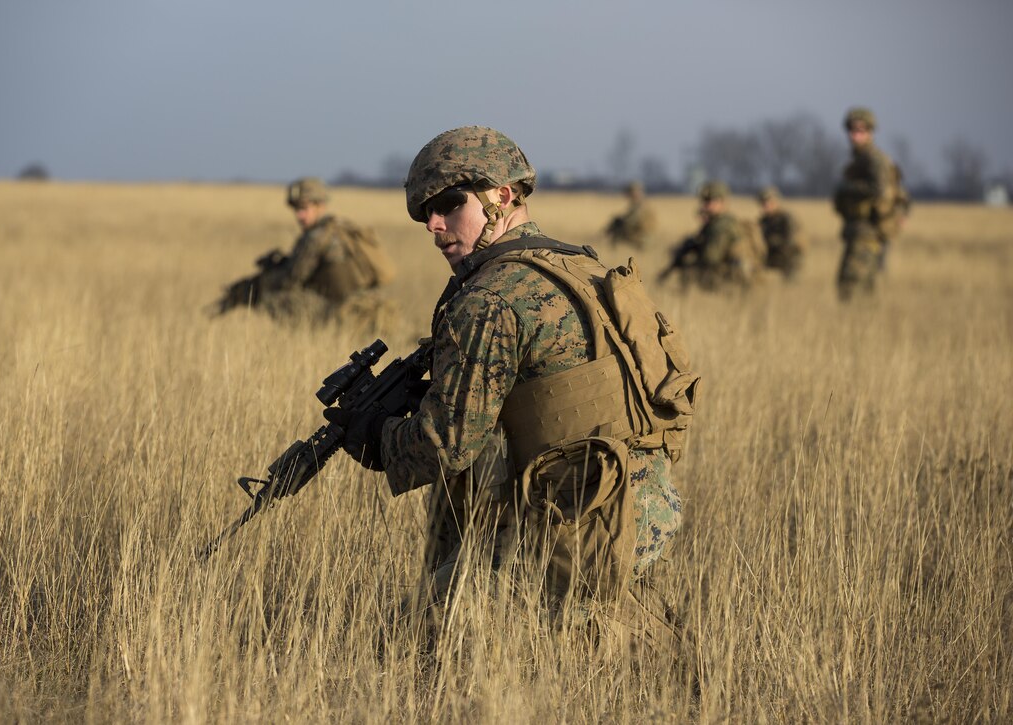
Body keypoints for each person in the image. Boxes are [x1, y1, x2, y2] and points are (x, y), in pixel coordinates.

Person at [324, 127, 700, 648]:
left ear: (503, 196)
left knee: (419, 633)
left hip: (580, 523)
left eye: (450, 203)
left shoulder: (490, 298)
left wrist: (379, 439)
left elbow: (444, 446)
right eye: (424, 213)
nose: (435, 224)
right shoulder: (579, 265)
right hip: (642, 504)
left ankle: (606, 631)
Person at [210, 177, 395, 325]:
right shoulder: (340, 228)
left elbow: (292, 279)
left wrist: (264, 279)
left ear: (320, 206)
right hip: (363, 304)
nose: (300, 215)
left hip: (342, 310)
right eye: (296, 209)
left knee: (272, 300)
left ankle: (301, 339)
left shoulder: (317, 237)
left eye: (304, 209)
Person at [832, 107, 908, 301]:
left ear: (870, 132)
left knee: (851, 286)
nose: (855, 135)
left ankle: (857, 326)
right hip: (858, 232)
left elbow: (880, 190)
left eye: (861, 130)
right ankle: (863, 327)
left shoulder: (875, 160)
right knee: (858, 289)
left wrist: (847, 188)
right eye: (852, 130)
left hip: (868, 233)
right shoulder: (859, 161)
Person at [659, 181, 764, 291]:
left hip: (733, 280)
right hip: (733, 276)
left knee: (689, 271)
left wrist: (691, 255)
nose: (704, 205)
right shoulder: (717, 223)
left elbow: (711, 257)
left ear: (722, 202)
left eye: (709, 201)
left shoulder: (723, 226)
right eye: (704, 201)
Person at [756, 186, 805, 281]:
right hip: (770, 256)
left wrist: (769, 241)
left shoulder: (786, 219)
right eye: (763, 203)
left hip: (787, 257)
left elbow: (790, 241)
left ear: (776, 202)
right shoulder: (763, 221)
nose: (766, 206)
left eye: (769, 203)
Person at [605, 180, 657, 250]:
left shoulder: (641, 207)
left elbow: (631, 222)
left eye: (630, 192)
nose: (628, 194)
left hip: (642, 238)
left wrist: (619, 222)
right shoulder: (637, 205)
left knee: (616, 232)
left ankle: (613, 252)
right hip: (639, 236)